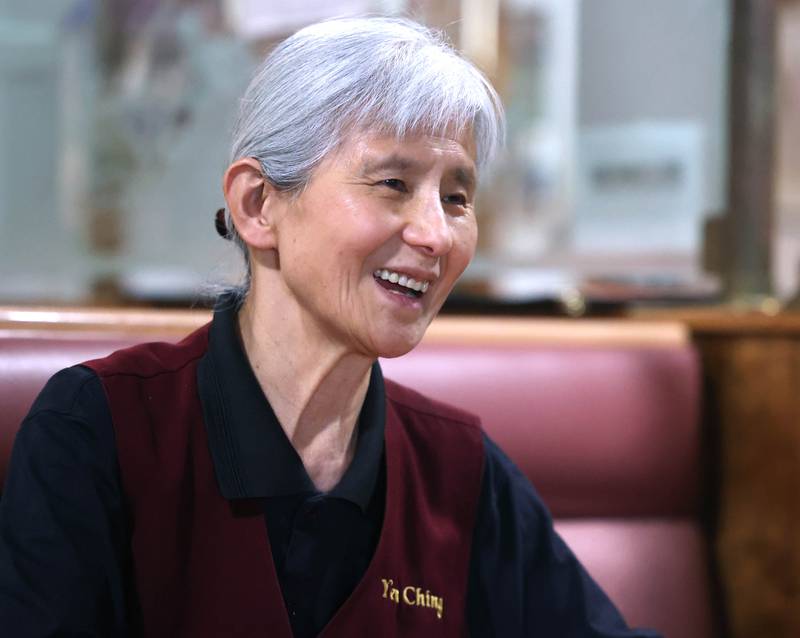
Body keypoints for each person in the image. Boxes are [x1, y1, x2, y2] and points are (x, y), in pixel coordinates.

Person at [0, 17, 661, 638]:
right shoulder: (99, 430)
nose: (436, 234)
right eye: (393, 183)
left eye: (456, 197)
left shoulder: (457, 470)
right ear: (258, 206)